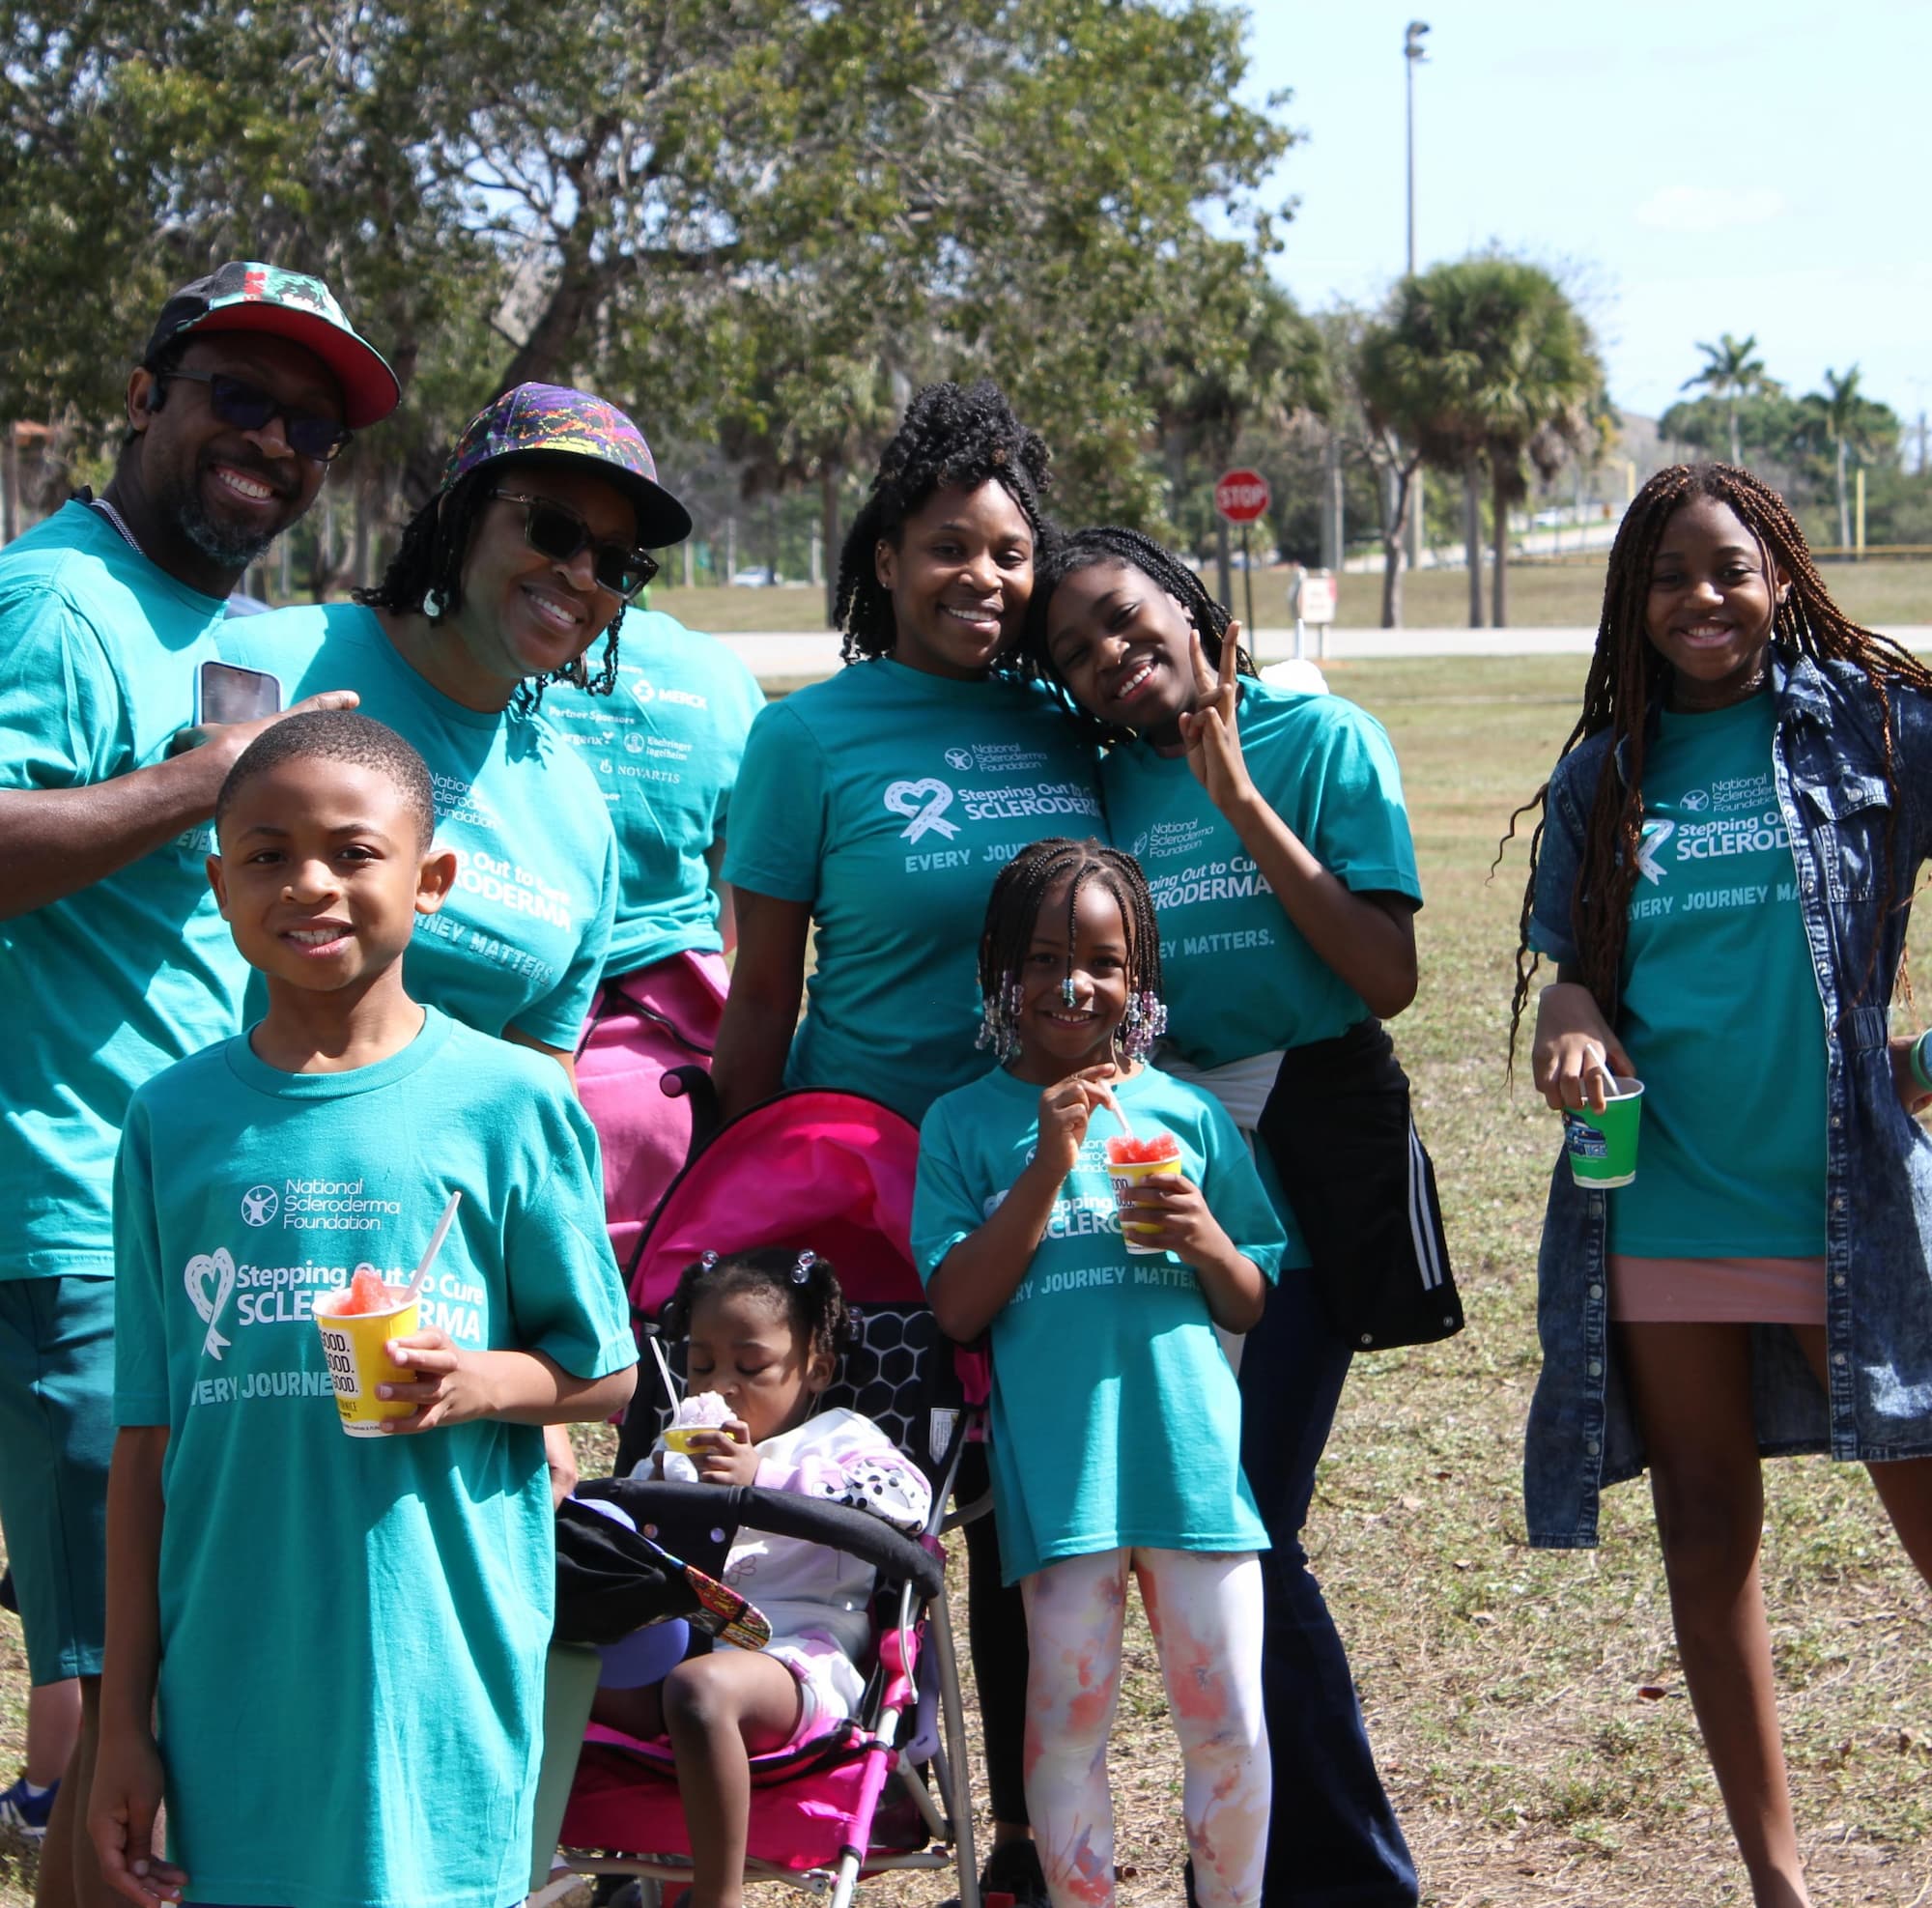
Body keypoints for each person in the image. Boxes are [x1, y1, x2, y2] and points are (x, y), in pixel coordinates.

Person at [88, 711, 637, 1908]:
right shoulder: (171, 1121)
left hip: (443, 1652)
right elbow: (145, 1442)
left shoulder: (508, 1103)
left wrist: (482, 1382)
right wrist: (124, 1716)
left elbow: (600, 1373)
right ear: (219, 881)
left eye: (352, 851)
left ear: (431, 879)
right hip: (235, 1665)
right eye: (268, 854)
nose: (310, 884)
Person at [0, 260, 397, 1908]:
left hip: (199, 1217)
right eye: (239, 396)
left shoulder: (234, 629)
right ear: (148, 397)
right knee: (107, 1683)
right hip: (72, 1219)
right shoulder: (60, 601)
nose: (277, 441)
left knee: (183, 1658)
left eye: (309, 425)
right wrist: (206, 778)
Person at [1508, 463, 1932, 1908]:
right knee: (1701, 1510)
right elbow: (1567, 957)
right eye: (1671, 574)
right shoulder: (1606, 772)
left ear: (1781, 576)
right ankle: (1778, 1878)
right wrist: (1569, 1008)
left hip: (1842, 1197)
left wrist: (1919, 1057)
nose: (1704, 597)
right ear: (1634, 599)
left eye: (1730, 568)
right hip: (1664, 1191)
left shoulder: (1875, 723)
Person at [712, 380, 1098, 1906]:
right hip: (861, 1198)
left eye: (1010, 551)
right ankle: (855, 1759)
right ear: (883, 556)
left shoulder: (1068, 716)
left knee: (1027, 1520)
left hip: (1044, 1174)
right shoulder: (806, 738)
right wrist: (724, 1210)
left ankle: (1023, 1838)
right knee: (861, 1499)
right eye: (948, 547)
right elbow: (759, 1003)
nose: (984, 580)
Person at [1024, 528, 1434, 1905]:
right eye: (1077, 653)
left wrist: (1242, 794)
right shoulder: (1102, 778)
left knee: (1248, 1514)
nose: (1113, 663)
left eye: (1130, 625)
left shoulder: (1324, 738)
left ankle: (1343, 1877)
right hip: (1169, 1171)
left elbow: (1386, 973)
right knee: (1219, 1523)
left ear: (1195, 606)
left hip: (1312, 1155)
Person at [913, 839, 1284, 1908]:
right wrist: (1043, 1163)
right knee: (1066, 1726)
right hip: (1064, 1484)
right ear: (999, 971)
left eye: (1101, 961)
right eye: (1038, 959)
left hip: (1194, 1477)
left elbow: (1247, 1295)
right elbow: (958, 1306)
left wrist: (1204, 1236)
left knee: (1228, 1724)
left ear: (1140, 979)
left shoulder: (1188, 1114)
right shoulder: (965, 1123)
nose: (1070, 985)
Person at [591, 1246, 931, 1908]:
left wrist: (766, 1480)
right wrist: (652, 1493)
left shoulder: (839, 1439)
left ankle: (715, 1900)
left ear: (815, 1370)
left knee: (701, 1689)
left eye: (750, 1366)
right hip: (680, 1645)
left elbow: (906, 1501)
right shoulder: (672, 1447)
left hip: (797, 1654)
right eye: (700, 1365)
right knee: (553, 1664)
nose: (720, 1385)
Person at [543, 609, 764, 1262]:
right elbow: (738, 891)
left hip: (520, 1039)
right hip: (687, 1060)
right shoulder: (718, 674)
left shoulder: (483, 652)